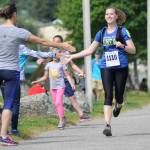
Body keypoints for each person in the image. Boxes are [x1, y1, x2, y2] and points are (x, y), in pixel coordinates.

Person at [0, 3, 75, 146]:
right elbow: (42, 41)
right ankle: (3, 135)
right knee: (9, 104)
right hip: (11, 71)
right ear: (14, 14)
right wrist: (62, 45)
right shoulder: (19, 31)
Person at [65, 6, 136, 136]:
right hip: (106, 66)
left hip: (121, 66)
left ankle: (119, 105)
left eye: (111, 14)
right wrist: (72, 56)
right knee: (108, 94)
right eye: (106, 14)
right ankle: (107, 125)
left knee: (119, 95)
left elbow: (133, 49)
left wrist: (123, 45)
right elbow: (90, 50)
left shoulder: (123, 31)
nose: (108, 16)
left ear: (116, 16)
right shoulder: (101, 33)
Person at [37, 35, 90, 121]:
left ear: (61, 43)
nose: (56, 44)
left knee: (71, 97)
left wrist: (80, 71)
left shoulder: (65, 54)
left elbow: (72, 65)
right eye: (54, 42)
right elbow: (44, 62)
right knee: (57, 100)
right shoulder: (51, 53)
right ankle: (62, 117)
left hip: (64, 79)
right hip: (53, 80)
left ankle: (81, 114)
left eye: (58, 42)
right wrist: (41, 61)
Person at [32, 50, 75, 129]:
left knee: (58, 102)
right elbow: (45, 77)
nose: (55, 56)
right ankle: (63, 117)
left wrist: (72, 84)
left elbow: (67, 75)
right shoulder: (48, 65)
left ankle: (61, 120)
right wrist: (37, 81)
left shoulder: (62, 64)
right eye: (54, 54)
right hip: (53, 87)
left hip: (61, 86)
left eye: (57, 54)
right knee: (56, 104)